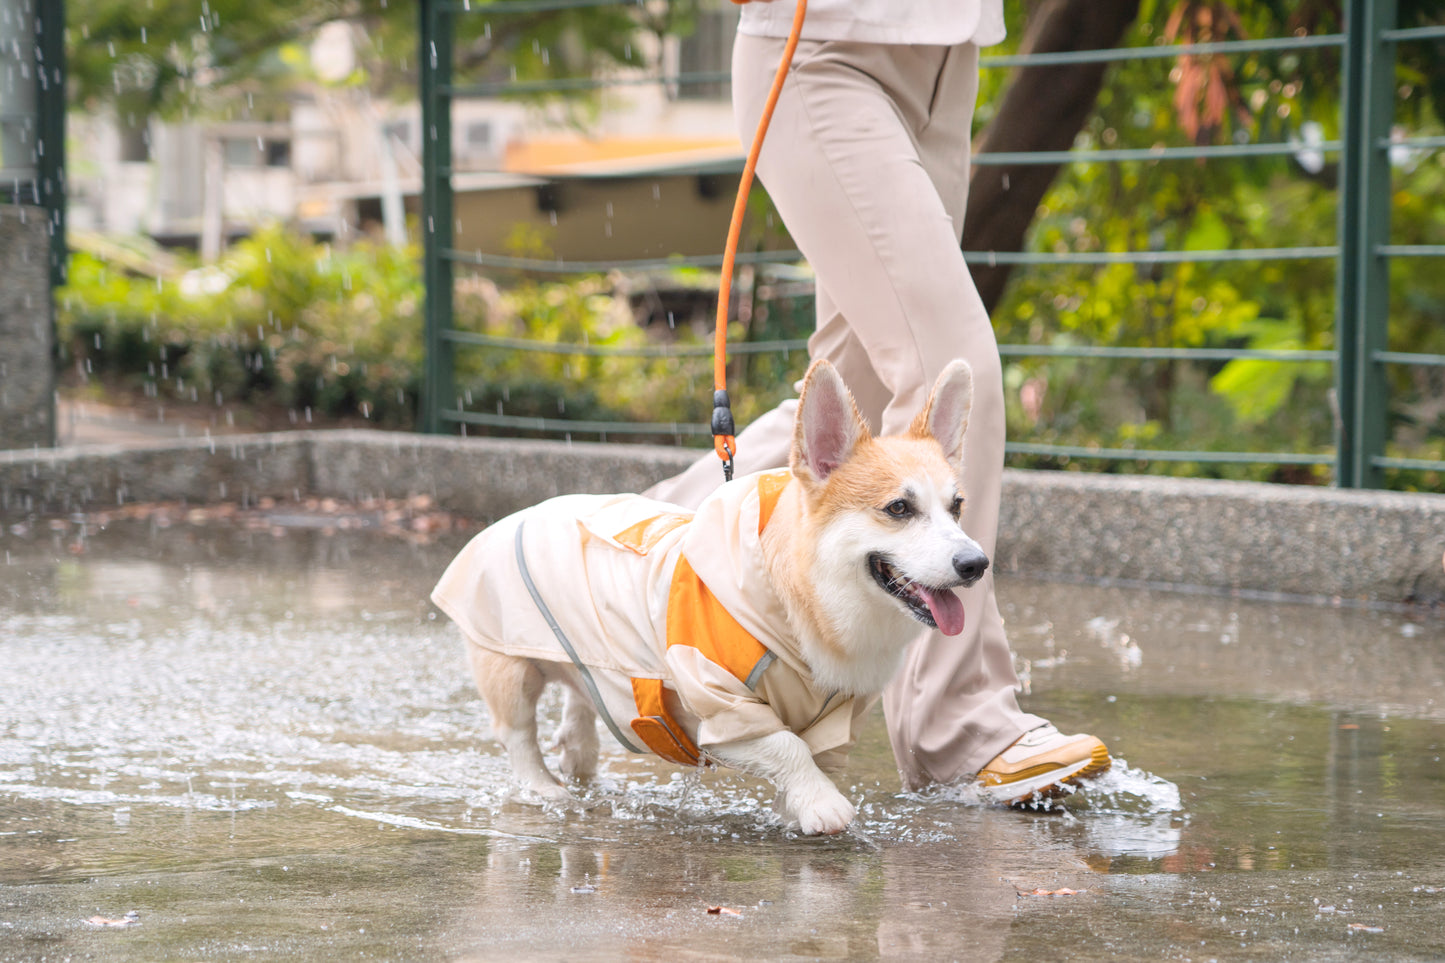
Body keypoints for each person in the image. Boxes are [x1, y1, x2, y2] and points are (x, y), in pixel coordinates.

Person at [645, 0, 1110, 800]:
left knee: (844, 419)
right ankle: (958, 726)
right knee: (950, 364)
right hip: (820, 53)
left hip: (947, 55)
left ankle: (633, 561)